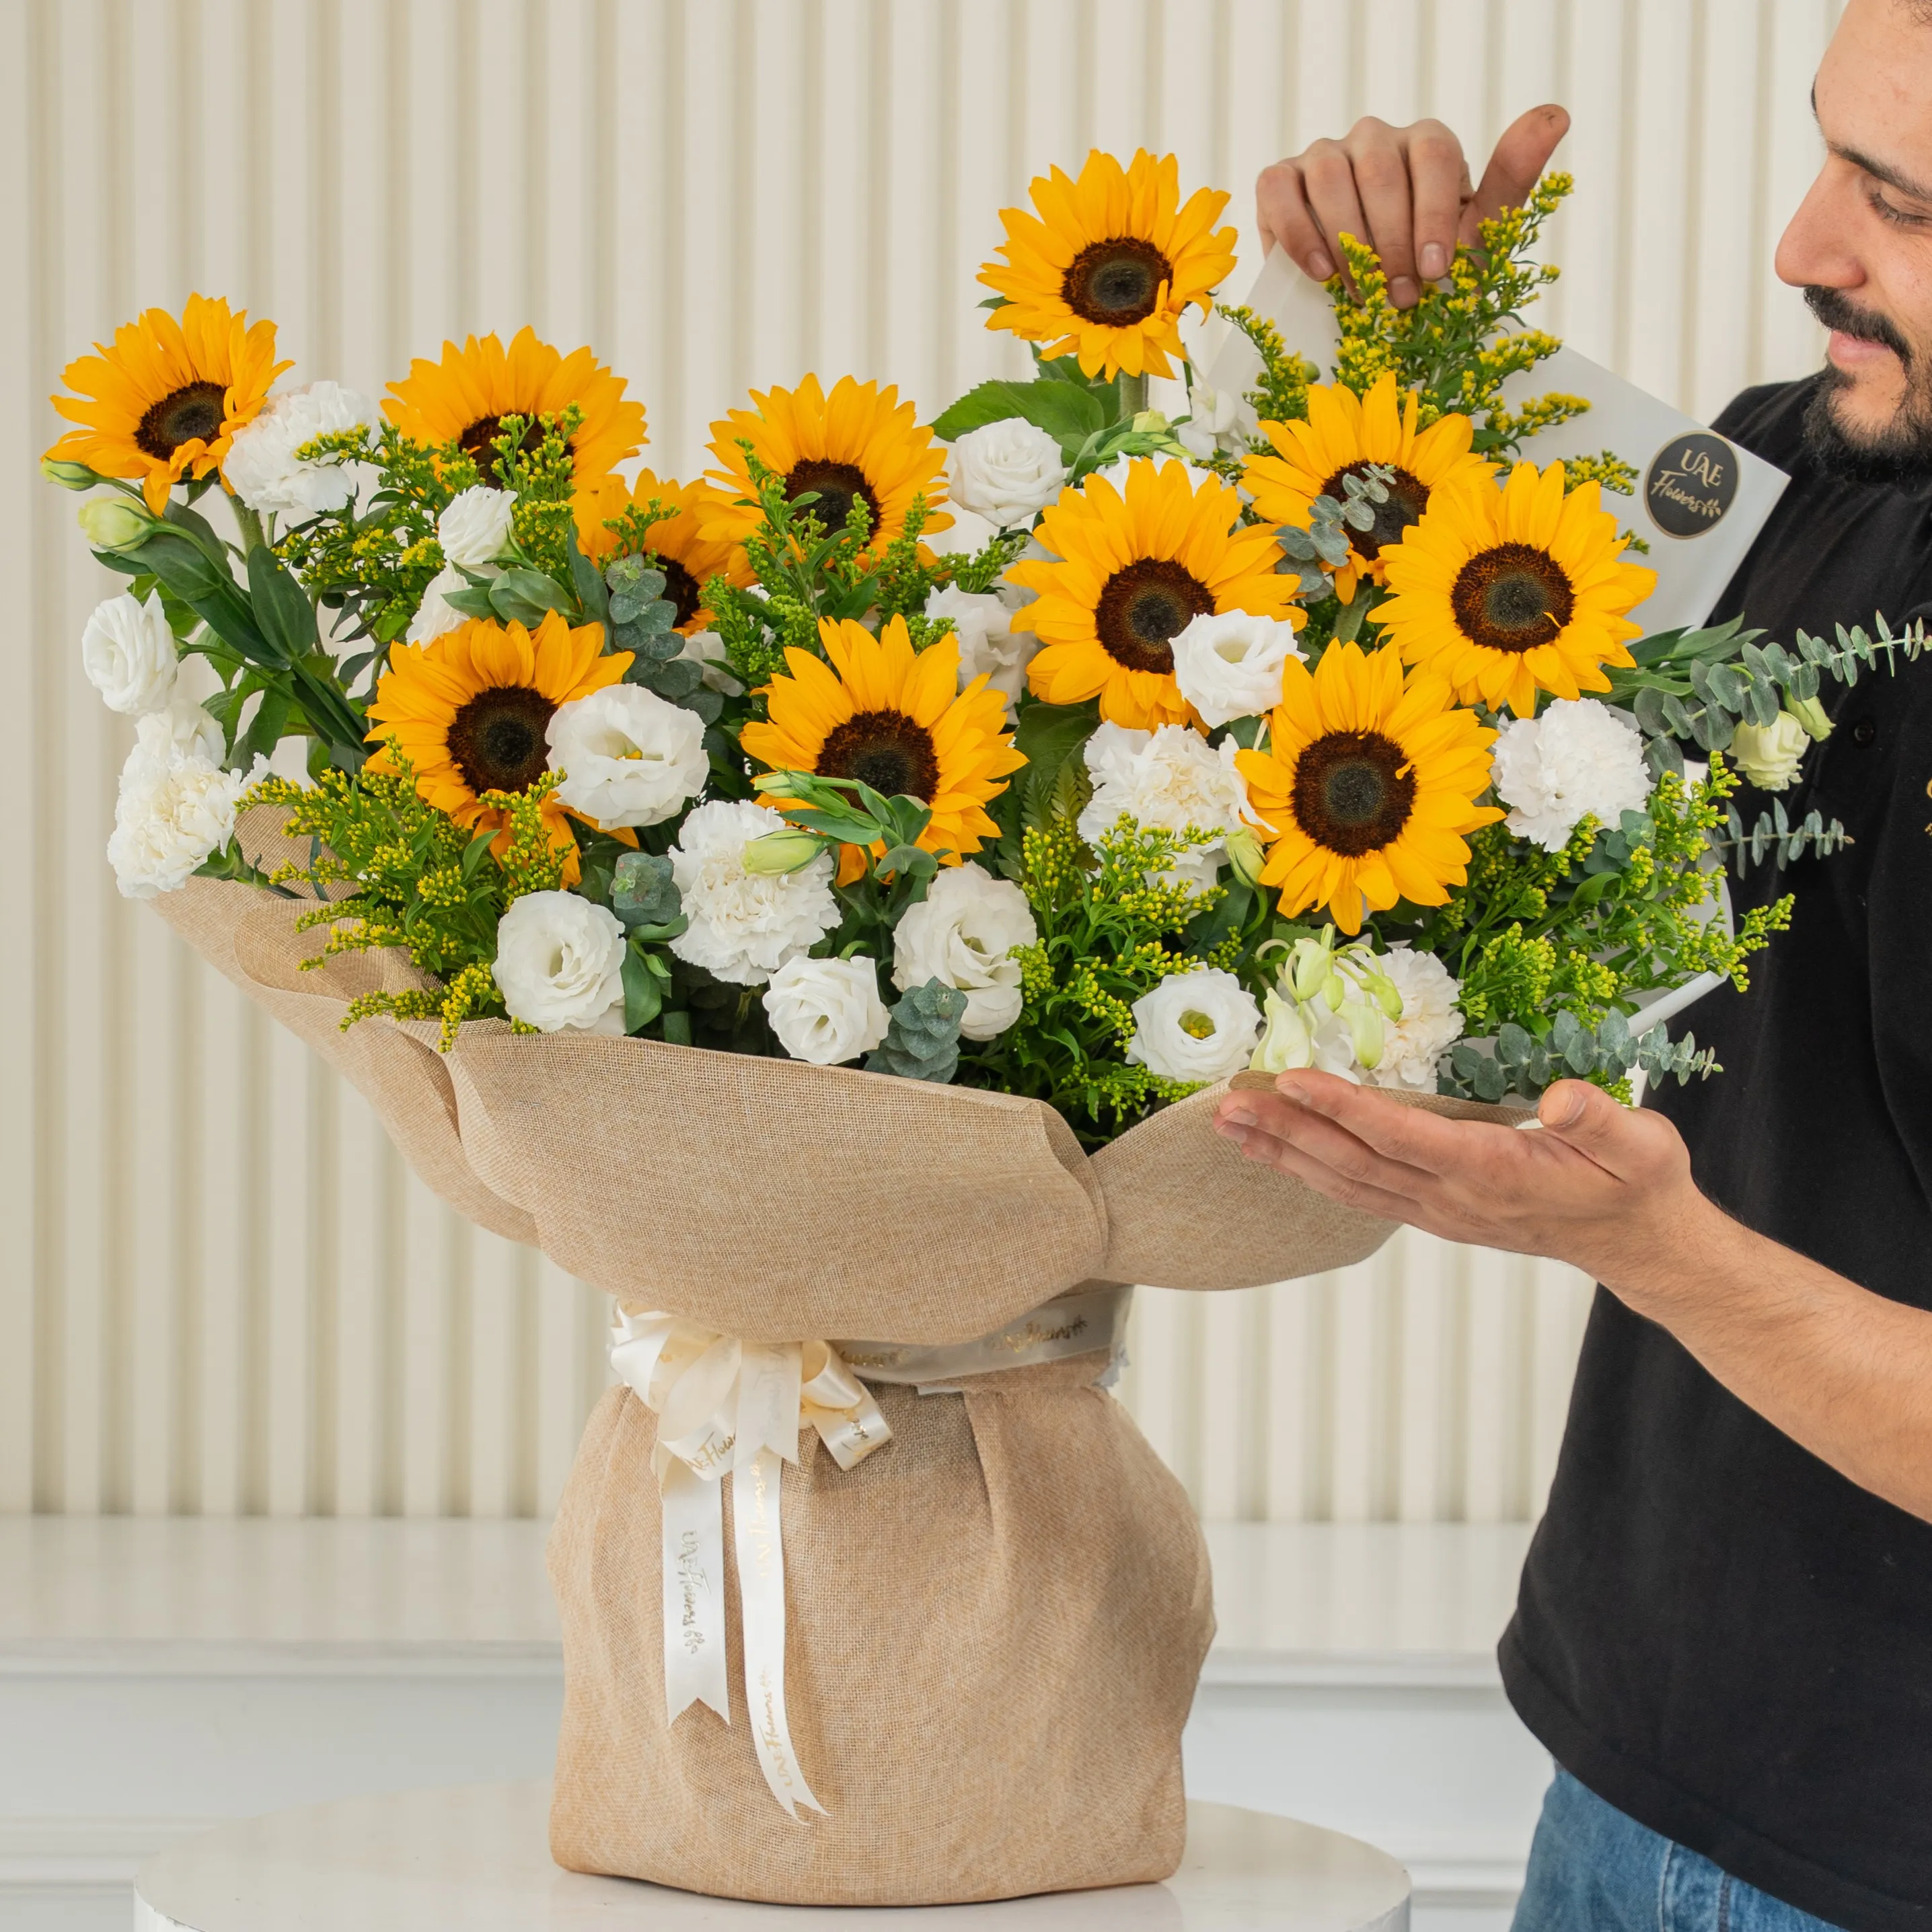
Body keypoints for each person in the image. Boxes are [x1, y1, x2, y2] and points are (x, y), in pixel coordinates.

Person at [1220, 6, 1932, 1930]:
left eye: (1899, 203)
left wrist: (1641, 1242)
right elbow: (1441, 722)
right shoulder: (1817, 467)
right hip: (1633, 1756)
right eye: (1829, 156)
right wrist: (1372, 354)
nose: (1803, 244)